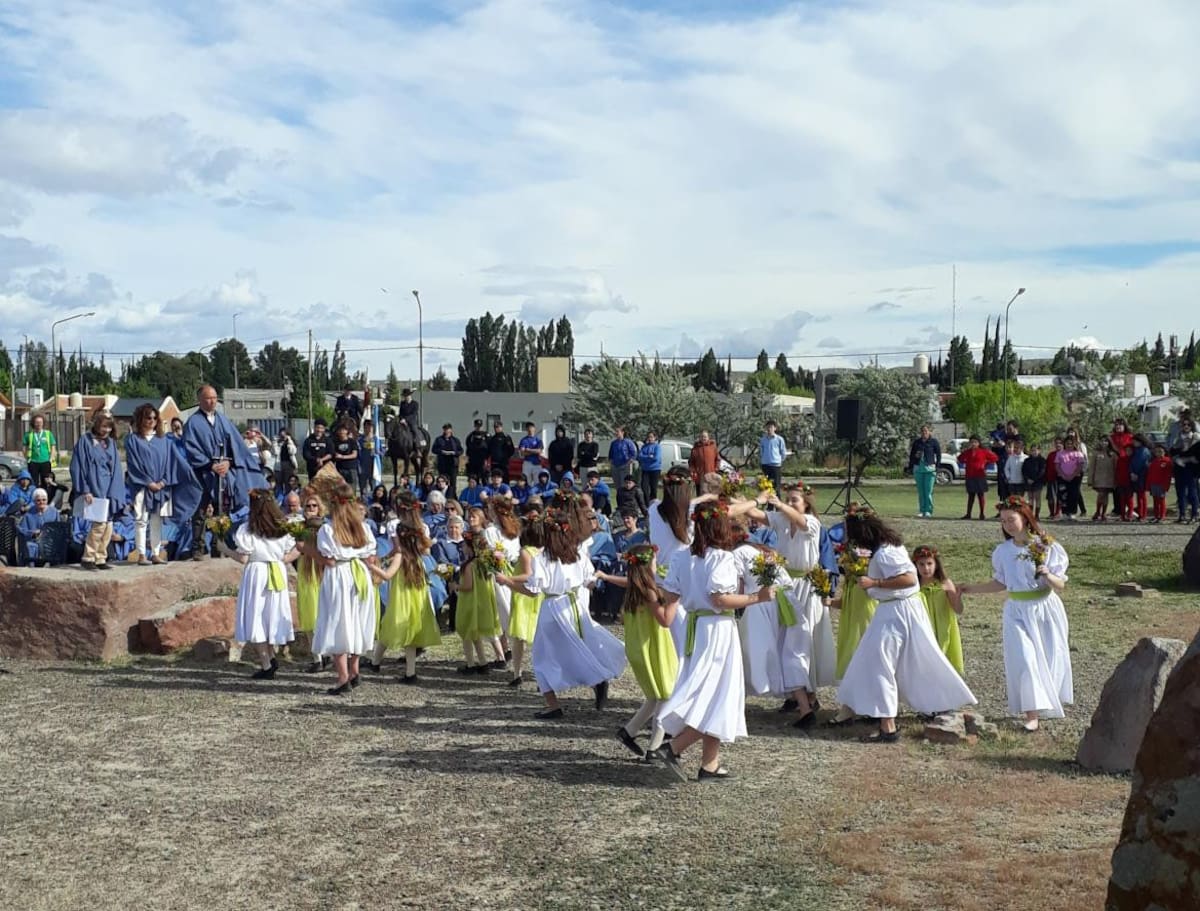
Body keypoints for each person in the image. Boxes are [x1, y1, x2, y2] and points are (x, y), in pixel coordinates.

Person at [651, 502, 771, 781]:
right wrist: (757, 598)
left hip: (696, 627)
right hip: (718, 629)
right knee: (717, 693)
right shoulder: (721, 559)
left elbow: (670, 596)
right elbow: (720, 599)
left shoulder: (683, 557)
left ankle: (710, 764)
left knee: (716, 692)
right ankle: (673, 747)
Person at [835, 513, 976, 743]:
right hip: (892, 609)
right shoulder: (887, 547)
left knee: (880, 662)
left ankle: (887, 725)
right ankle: (865, 712)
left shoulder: (887, 552)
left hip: (897, 612)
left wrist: (875, 583)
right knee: (872, 660)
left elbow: (910, 579)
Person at [499, 509, 627, 719]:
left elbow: (533, 591)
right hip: (575, 604)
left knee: (542, 656)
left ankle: (554, 704)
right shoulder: (577, 554)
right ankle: (597, 679)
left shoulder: (542, 558)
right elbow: (591, 582)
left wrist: (508, 582)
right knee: (580, 646)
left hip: (553, 608)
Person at [958, 498, 1072, 731]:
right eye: (1003, 521)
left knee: (1047, 657)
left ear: (1025, 518)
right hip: (1016, 611)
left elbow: (1060, 585)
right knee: (1025, 658)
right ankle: (1032, 715)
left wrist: (1047, 574)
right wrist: (969, 589)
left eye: (1012, 519)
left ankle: (1045, 702)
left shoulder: (1045, 546)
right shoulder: (1003, 551)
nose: (1007, 525)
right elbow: (1001, 582)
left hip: (1043, 609)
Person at [599, 543, 679, 758]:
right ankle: (653, 748)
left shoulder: (633, 592)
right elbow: (664, 620)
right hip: (654, 648)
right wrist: (674, 600)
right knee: (666, 695)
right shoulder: (650, 592)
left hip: (638, 647)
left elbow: (624, 619)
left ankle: (629, 731)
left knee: (656, 696)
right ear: (647, 565)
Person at [183, 385, 269, 558]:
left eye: (215, 397)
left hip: (223, 472)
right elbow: (191, 449)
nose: (212, 401)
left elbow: (236, 445)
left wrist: (229, 463)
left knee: (221, 510)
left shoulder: (223, 420)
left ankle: (219, 546)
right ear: (200, 399)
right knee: (200, 511)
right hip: (202, 473)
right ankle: (198, 548)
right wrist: (210, 465)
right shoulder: (192, 423)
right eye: (208, 398)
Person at [312, 482, 377, 694]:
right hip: (359, 573)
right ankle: (355, 670)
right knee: (356, 620)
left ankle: (342, 678)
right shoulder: (362, 527)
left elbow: (329, 561)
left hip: (339, 575)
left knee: (338, 621)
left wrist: (308, 550)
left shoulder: (328, 529)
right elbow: (369, 554)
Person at [233, 490, 300, 679]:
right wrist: (280, 559)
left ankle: (266, 663)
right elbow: (294, 551)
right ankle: (270, 657)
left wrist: (224, 549)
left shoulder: (248, 529)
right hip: (277, 570)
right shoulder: (283, 527)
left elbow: (243, 558)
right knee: (271, 614)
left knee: (257, 615)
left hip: (257, 573)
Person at [124, 403, 201, 566]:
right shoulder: (133, 440)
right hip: (142, 487)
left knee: (157, 520)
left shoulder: (164, 441)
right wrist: (148, 482)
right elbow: (133, 464)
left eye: (154, 418)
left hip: (161, 487)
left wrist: (164, 482)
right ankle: (141, 554)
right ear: (141, 418)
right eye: (147, 417)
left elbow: (172, 463)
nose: (151, 421)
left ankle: (156, 553)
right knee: (141, 519)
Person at [368, 521, 442, 684]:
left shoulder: (401, 555)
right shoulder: (417, 555)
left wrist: (371, 567)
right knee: (400, 630)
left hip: (402, 598)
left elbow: (388, 575)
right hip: (415, 598)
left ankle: (404, 671)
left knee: (395, 629)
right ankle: (382, 664)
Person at [69, 409, 126, 571]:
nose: (106, 430)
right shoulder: (85, 441)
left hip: (109, 487)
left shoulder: (111, 443)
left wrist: (116, 492)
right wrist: (85, 489)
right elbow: (77, 466)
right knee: (99, 524)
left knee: (108, 525)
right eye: (103, 427)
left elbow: (115, 467)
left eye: (109, 427)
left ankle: (101, 557)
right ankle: (88, 556)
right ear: (96, 425)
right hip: (94, 487)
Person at [495, 518, 545, 686]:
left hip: (524, 597)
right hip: (540, 596)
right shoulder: (544, 551)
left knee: (519, 637)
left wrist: (507, 578)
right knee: (536, 637)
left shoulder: (526, 552)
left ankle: (517, 673)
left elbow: (528, 576)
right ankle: (539, 676)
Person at [913, 545, 964, 676]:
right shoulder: (914, 586)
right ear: (915, 565)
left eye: (929, 563)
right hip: (922, 627)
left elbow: (958, 610)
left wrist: (956, 597)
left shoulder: (945, 583)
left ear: (936, 564)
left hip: (942, 627)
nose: (926, 568)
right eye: (921, 564)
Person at [16, 488, 59, 566]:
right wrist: (32, 533)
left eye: (44, 500)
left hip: (50, 541)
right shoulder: (29, 513)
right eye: (38, 500)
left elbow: (59, 528)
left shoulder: (54, 512)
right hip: (34, 541)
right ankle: (32, 568)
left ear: (47, 500)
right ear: (34, 501)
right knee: (30, 546)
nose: (41, 502)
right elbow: (21, 529)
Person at [958, 436, 998, 520]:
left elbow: (995, 458)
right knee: (971, 495)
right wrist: (966, 462)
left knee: (981, 495)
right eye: (972, 442)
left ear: (979, 443)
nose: (973, 444)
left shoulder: (983, 452)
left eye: (975, 442)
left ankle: (982, 513)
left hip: (980, 476)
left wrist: (986, 464)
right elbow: (960, 459)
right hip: (970, 475)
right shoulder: (967, 452)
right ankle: (968, 514)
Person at [907, 425, 940, 518]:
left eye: (926, 431)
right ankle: (922, 510)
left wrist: (937, 466)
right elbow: (912, 455)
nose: (924, 433)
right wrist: (911, 466)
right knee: (921, 491)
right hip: (918, 468)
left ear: (929, 432)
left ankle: (928, 510)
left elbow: (938, 454)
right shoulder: (917, 442)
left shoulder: (933, 442)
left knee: (928, 491)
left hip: (930, 469)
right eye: (922, 431)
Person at [1170, 416, 1199, 523]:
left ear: (1192, 426)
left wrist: (1189, 457)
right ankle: (1182, 515)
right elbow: (1172, 451)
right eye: (1184, 424)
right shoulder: (1178, 438)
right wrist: (1177, 456)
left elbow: (1196, 454)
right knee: (1180, 492)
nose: (1186, 426)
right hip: (1179, 468)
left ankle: (1194, 515)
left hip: (1191, 469)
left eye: (1188, 424)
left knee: (1192, 492)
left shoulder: (1196, 438)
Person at [22, 413, 57, 494]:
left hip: (45, 461)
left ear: (43, 423)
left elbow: (53, 448)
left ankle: (45, 498)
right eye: (37, 422)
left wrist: (51, 459)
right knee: (33, 482)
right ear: (33, 423)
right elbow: (24, 448)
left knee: (46, 482)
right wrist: (27, 458)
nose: (39, 424)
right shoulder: (28, 434)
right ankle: (34, 498)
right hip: (33, 462)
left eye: (40, 422)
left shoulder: (48, 434)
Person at [1055, 436, 1087, 520]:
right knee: (1063, 496)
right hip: (1062, 478)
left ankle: (1072, 513)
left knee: (1074, 495)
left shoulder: (1078, 454)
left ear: (1074, 444)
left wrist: (1072, 475)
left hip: (1075, 478)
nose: (1069, 445)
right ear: (1064, 444)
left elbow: (1080, 466)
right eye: (1067, 443)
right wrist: (1063, 475)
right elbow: (1057, 465)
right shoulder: (1060, 453)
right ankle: (1065, 513)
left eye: (1071, 443)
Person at [1088, 439, 1116, 522]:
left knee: (1105, 496)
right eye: (1102, 441)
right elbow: (1092, 467)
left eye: (1106, 441)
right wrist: (1090, 479)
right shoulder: (1096, 453)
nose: (1104, 443)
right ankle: (1097, 511)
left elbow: (1115, 467)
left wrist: (1115, 480)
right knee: (1100, 494)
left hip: (1109, 478)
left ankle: (1103, 513)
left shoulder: (1112, 454)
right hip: (1098, 478)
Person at [431, 424, 464, 493]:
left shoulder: (455, 440)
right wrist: (441, 451)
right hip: (442, 464)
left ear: (451, 430)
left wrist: (454, 453)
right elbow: (433, 449)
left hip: (453, 464)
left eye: (448, 429)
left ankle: (452, 496)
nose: (447, 431)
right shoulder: (439, 439)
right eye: (445, 429)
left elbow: (461, 450)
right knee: (442, 481)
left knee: (453, 483)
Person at [1147, 443, 1173, 524]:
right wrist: (1149, 485)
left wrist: (1166, 486)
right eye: (1156, 452)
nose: (1158, 453)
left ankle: (1162, 516)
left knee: (1161, 501)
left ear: (1164, 451)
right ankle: (1156, 516)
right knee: (1155, 500)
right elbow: (1150, 474)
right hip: (1153, 484)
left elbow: (1168, 475)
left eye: (1160, 451)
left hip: (1161, 484)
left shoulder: (1167, 461)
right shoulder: (1154, 461)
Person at [1128, 435, 1152, 522]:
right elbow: (1131, 462)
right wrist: (1131, 472)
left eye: (1135, 441)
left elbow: (1145, 465)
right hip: (1134, 475)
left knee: (1142, 496)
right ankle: (1139, 514)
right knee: (1138, 496)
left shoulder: (1145, 451)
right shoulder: (1135, 451)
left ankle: (1143, 515)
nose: (1134, 443)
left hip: (1142, 476)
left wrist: (1138, 474)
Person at [759, 420, 787, 492]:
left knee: (776, 486)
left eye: (771, 427)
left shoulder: (779, 439)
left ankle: (777, 502)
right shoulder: (763, 439)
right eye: (767, 427)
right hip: (765, 465)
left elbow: (783, 452)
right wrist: (763, 460)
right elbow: (761, 451)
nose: (769, 429)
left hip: (775, 465)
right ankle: (768, 502)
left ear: (775, 428)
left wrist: (779, 460)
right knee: (765, 485)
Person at [332, 423, 361, 491]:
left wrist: (342, 457)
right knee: (340, 490)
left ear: (347, 431)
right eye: (340, 430)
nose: (342, 432)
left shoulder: (352, 442)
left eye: (343, 430)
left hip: (351, 468)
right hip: (340, 469)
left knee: (351, 490)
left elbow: (354, 454)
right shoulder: (335, 442)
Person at [1021, 443, 1047, 519]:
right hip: (1028, 482)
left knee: (1037, 498)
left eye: (1035, 450)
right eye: (1032, 450)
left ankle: (1037, 515)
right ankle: (1030, 514)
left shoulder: (1042, 460)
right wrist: (1027, 479)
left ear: (1039, 450)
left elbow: (1042, 471)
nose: (1034, 452)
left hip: (1038, 481)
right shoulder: (1027, 460)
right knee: (1030, 498)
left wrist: (1034, 479)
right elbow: (1023, 471)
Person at [637, 431, 662, 504]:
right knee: (644, 487)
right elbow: (639, 457)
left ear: (655, 438)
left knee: (653, 488)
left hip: (655, 469)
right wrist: (648, 456)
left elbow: (656, 458)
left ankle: (653, 504)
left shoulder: (657, 447)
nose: (650, 438)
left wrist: (645, 458)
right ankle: (647, 504)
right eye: (649, 437)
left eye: (651, 437)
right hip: (645, 469)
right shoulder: (644, 446)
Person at [357, 420, 382, 495]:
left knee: (374, 488)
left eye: (370, 427)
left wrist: (379, 453)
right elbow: (358, 453)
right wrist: (358, 466)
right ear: (364, 428)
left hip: (373, 467)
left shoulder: (376, 440)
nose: (369, 429)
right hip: (363, 467)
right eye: (367, 427)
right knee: (363, 489)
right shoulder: (360, 440)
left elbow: (382, 451)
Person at [276, 429, 298, 496]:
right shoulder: (278, 443)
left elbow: (292, 452)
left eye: (284, 435)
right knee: (279, 483)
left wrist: (289, 441)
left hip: (289, 464)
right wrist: (276, 442)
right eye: (281, 435)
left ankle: (288, 496)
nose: (283, 437)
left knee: (288, 482)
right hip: (279, 464)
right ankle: (279, 498)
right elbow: (275, 452)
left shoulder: (291, 443)